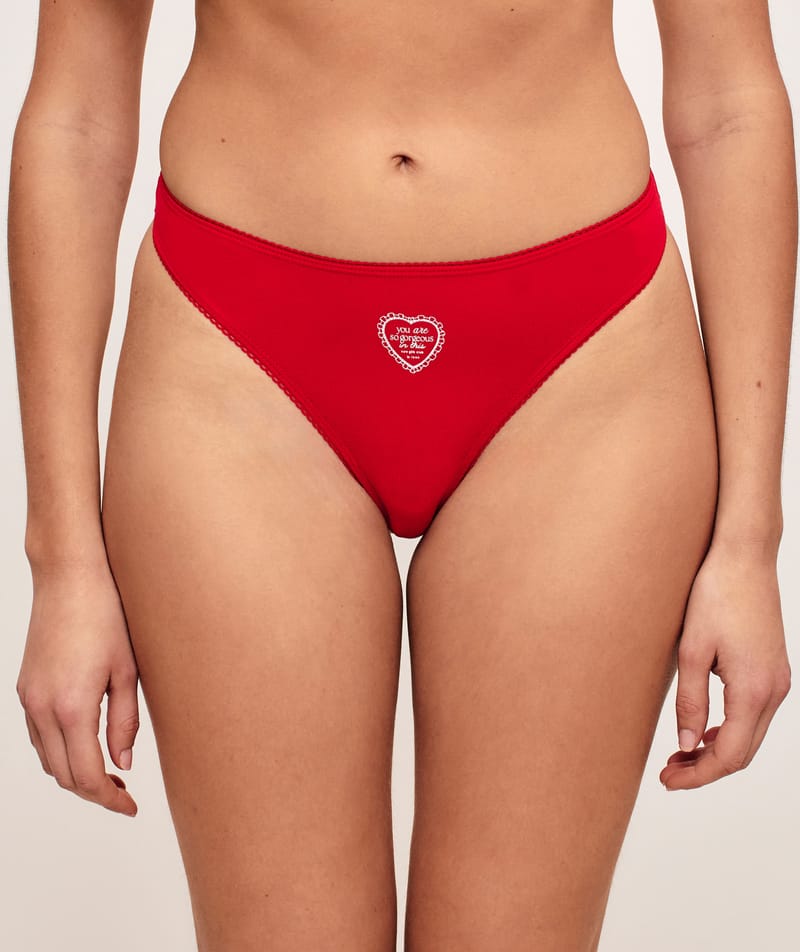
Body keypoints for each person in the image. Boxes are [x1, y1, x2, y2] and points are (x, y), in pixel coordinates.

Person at [8, 1, 795, 950]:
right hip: (236, 350)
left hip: (585, 358)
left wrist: (750, 543)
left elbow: (729, 100)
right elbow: (78, 114)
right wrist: (62, 560)